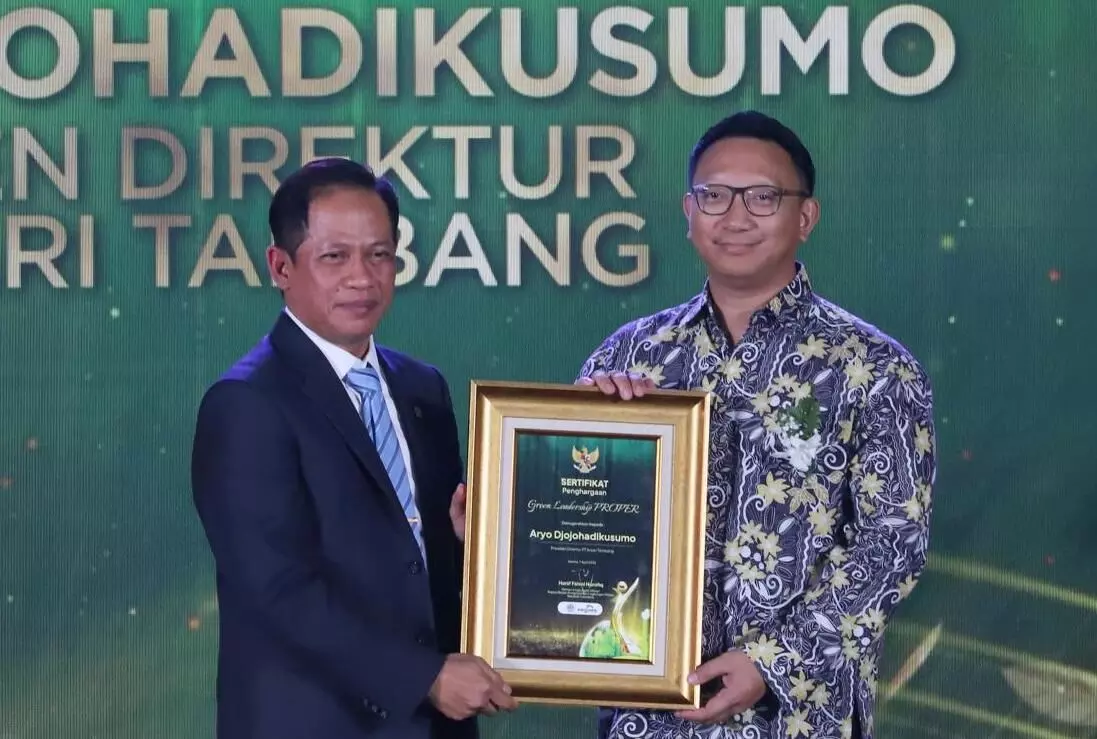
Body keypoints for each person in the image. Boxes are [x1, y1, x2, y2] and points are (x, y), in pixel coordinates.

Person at [577, 111, 936, 739]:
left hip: (801, 717)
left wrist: (771, 661)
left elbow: (892, 543)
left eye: (763, 197)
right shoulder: (628, 357)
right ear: (689, 212)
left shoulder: (874, 367)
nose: (736, 217)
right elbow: (584, 528)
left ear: (805, 216)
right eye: (714, 196)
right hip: (650, 718)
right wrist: (517, 511)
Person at [190, 157, 516, 739]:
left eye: (379, 254)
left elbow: (415, 561)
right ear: (281, 266)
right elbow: (277, 589)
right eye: (334, 257)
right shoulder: (246, 402)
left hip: (434, 726)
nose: (362, 278)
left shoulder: (423, 388)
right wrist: (423, 677)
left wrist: (470, 546)